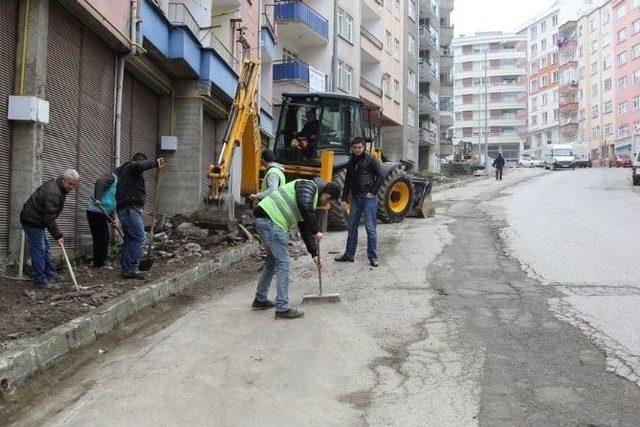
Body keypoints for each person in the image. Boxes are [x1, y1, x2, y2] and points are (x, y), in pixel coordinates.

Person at [251, 177, 341, 319]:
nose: (325, 204)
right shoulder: (309, 187)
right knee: (284, 263)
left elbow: (304, 227)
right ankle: (282, 308)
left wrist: (314, 254)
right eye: (328, 202)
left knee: (272, 262)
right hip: (272, 222)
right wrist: (316, 230)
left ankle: (260, 299)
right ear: (328, 196)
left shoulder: (308, 195)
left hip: (264, 220)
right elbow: (305, 209)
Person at [20, 169, 80, 288]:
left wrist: (57, 234)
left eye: (75, 184)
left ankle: (50, 274)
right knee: (39, 250)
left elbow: (48, 217)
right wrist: (58, 235)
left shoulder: (59, 187)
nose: (72, 187)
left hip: (40, 220)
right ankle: (40, 280)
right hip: (32, 221)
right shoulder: (53, 192)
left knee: (46, 248)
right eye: (70, 183)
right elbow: (49, 218)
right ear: (63, 180)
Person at [115, 153, 165, 279]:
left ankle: (127, 268)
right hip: (130, 210)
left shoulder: (126, 174)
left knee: (130, 239)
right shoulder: (132, 167)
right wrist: (154, 162)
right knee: (139, 238)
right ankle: (131, 269)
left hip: (125, 210)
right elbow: (139, 165)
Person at [335, 137, 384, 267]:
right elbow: (347, 181)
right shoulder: (351, 161)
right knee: (352, 227)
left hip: (369, 199)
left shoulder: (371, 159)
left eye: (359, 148)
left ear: (363, 147)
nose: (357, 150)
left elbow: (381, 175)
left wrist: (372, 192)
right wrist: (344, 198)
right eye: (355, 148)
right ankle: (349, 255)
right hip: (355, 198)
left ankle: (373, 257)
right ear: (352, 148)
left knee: (370, 229)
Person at [85, 171, 119, 268]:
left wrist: (114, 219)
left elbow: (113, 203)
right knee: (101, 237)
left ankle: (100, 262)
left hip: (103, 212)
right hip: (95, 211)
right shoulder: (112, 177)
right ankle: (98, 263)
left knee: (104, 237)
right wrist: (98, 198)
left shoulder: (119, 186)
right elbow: (100, 183)